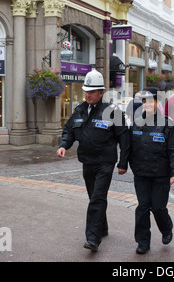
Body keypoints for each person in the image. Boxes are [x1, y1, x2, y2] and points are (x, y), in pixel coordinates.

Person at [56, 69, 130, 252]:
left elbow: (124, 139)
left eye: (92, 92)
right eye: (86, 91)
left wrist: (123, 163)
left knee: (97, 199)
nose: (87, 95)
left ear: (101, 93)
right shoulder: (80, 109)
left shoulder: (112, 112)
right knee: (94, 197)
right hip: (87, 162)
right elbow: (69, 129)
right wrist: (64, 144)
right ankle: (102, 227)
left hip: (105, 163)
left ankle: (93, 238)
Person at [129, 87, 174, 254]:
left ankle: (166, 228)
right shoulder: (136, 122)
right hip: (141, 174)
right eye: (145, 101)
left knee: (158, 207)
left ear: (157, 103)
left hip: (161, 174)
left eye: (151, 101)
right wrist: (126, 164)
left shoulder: (167, 124)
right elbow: (127, 147)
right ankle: (142, 242)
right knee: (143, 207)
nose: (148, 104)